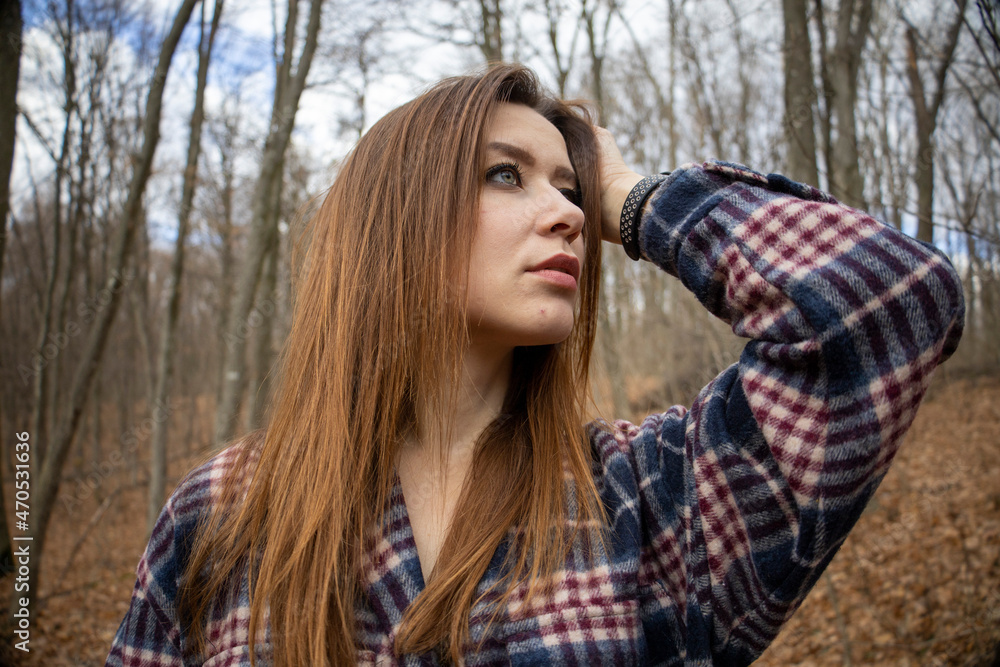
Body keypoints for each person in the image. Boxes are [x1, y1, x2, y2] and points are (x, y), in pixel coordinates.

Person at [106, 63, 964, 667]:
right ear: (394, 223)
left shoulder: (640, 494)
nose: (564, 212)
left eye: (571, 188)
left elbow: (885, 304)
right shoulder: (220, 516)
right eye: (506, 175)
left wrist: (631, 197)